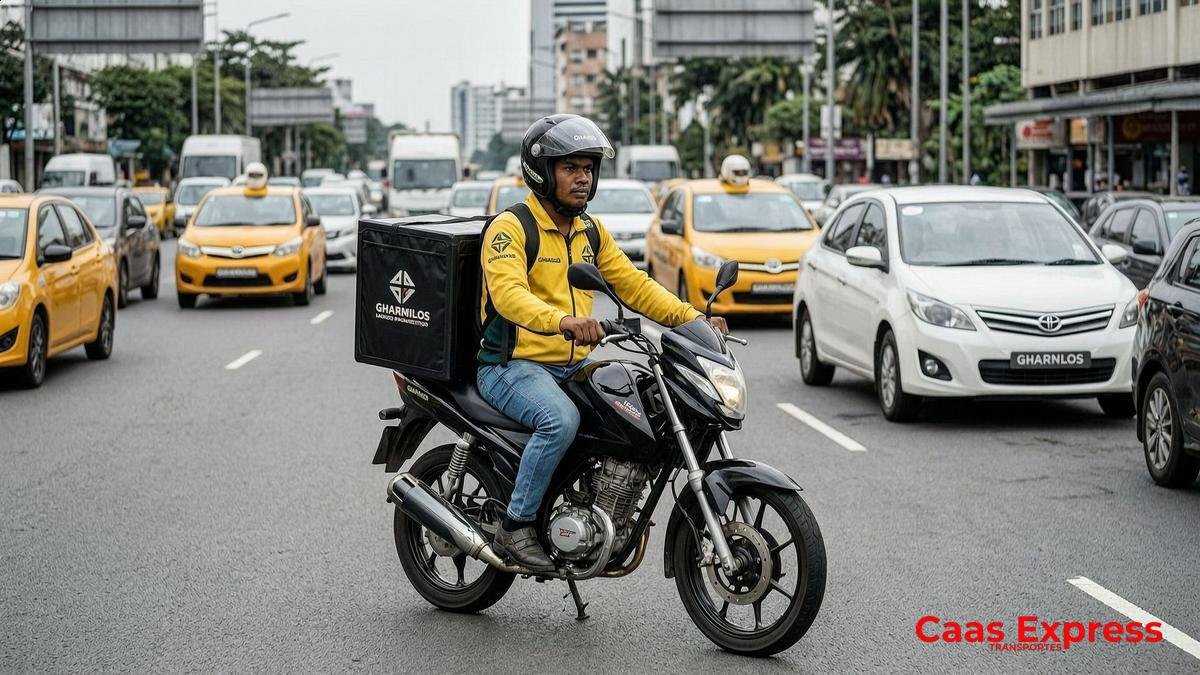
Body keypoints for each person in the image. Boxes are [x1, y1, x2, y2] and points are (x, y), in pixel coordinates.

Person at [478, 114, 728, 571]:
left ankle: (587, 512)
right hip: (510, 365)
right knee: (559, 419)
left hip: (570, 366)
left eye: (588, 168)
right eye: (570, 167)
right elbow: (508, 295)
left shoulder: (589, 231)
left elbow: (634, 285)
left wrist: (695, 319)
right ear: (542, 171)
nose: (582, 177)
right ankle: (516, 525)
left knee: (634, 408)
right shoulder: (511, 229)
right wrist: (563, 322)